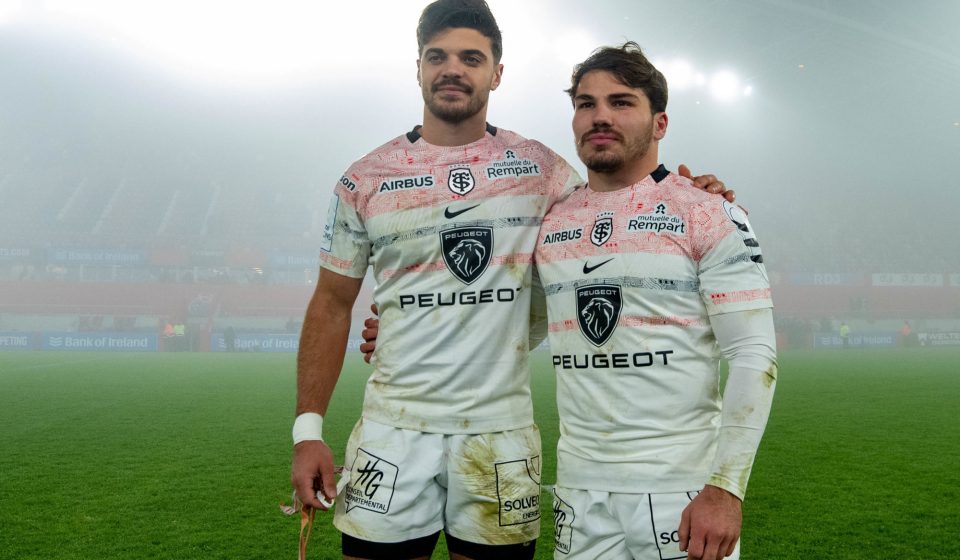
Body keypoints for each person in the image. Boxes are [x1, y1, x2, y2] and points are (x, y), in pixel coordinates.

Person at [291, 2, 731, 558]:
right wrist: (308, 431)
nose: (453, 69)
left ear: (497, 73)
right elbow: (331, 304)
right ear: (418, 67)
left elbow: (615, 209)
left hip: (500, 433)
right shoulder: (365, 178)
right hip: (393, 427)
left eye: (471, 58)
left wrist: (686, 191)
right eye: (438, 57)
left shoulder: (542, 171)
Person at [533, 42, 778, 560]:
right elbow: (518, 325)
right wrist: (395, 333)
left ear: (660, 123)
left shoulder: (708, 212)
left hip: (682, 492)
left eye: (621, 102)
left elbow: (754, 356)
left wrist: (726, 487)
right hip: (579, 492)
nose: (599, 116)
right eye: (585, 103)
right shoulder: (551, 221)